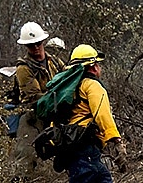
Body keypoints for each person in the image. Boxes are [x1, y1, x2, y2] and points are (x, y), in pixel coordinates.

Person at [62, 44, 126, 183]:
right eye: (98, 64)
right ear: (93, 66)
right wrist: (116, 139)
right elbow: (103, 115)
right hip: (85, 145)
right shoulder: (92, 85)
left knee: (101, 177)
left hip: (70, 145)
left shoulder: (68, 89)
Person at [12, 21, 66, 180]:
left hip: (57, 111)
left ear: (43, 42)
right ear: (26, 47)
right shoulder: (23, 69)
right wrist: (59, 95)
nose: (35, 48)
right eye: (31, 45)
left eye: (37, 43)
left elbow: (66, 77)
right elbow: (35, 96)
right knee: (25, 157)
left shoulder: (54, 61)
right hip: (33, 116)